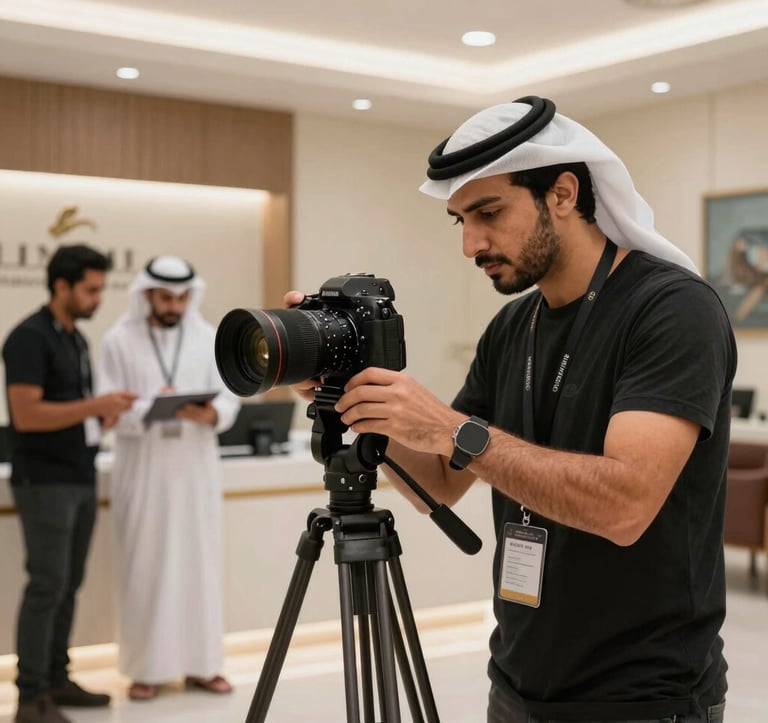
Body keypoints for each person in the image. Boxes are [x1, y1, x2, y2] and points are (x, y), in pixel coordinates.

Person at [290, 97, 735, 722]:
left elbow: (625, 506)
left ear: (561, 192)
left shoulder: (672, 310)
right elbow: (441, 484)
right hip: (517, 682)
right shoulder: (512, 325)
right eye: (460, 221)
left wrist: (452, 428)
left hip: (642, 697)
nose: (472, 243)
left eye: (489, 212)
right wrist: (365, 405)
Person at [2, 244, 137, 723]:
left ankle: (56, 679)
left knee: (67, 584)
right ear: (62, 285)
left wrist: (105, 416)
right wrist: (94, 407)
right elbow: (27, 414)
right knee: (47, 585)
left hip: (77, 476)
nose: (99, 298)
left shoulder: (75, 339)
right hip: (45, 482)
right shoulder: (28, 338)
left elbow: (71, 411)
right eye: (92, 289)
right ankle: (31, 697)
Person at [96, 255, 240, 701]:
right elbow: (106, 405)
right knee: (146, 568)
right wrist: (150, 409)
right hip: (143, 471)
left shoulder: (209, 336)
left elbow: (231, 396)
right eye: (165, 297)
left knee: (199, 567)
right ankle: (146, 670)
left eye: (181, 298)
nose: (174, 306)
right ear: (146, 295)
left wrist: (209, 412)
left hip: (194, 471)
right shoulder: (118, 340)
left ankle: (204, 665)